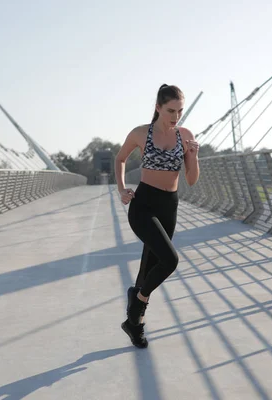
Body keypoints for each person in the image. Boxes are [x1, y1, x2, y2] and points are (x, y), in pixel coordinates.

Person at [114, 84, 200, 348]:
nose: (176, 116)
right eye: (171, 110)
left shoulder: (185, 135)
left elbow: (192, 180)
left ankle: (134, 324)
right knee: (170, 259)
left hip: (168, 206)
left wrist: (194, 156)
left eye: (180, 111)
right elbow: (120, 159)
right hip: (144, 205)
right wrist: (121, 189)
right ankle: (137, 301)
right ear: (158, 108)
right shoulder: (141, 133)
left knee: (151, 267)